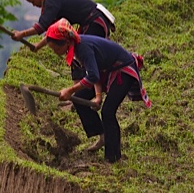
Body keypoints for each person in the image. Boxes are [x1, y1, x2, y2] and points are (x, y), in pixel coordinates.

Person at [45, 18, 151, 163]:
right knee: (80, 99)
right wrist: (97, 95)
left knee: (108, 112)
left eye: (56, 48)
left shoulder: (83, 49)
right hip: (106, 71)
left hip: (122, 71)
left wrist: (70, 90)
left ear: (66, 42)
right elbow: (94, 72)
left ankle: (113, 157)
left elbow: (93, 75)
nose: (55, 52)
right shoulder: (76, 48)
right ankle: (102, 134)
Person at [11, 0, 116, 81]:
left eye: (33, 1)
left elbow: (41, 27)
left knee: (84, 55)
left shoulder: (51, 0)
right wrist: (38, 46)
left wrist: (22, 34)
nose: (34, 5)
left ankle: (90, 87)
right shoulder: (52, 0)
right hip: (90, 22)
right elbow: (51, 31)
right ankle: (80, 90)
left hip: (95, 21)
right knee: (79, 57)